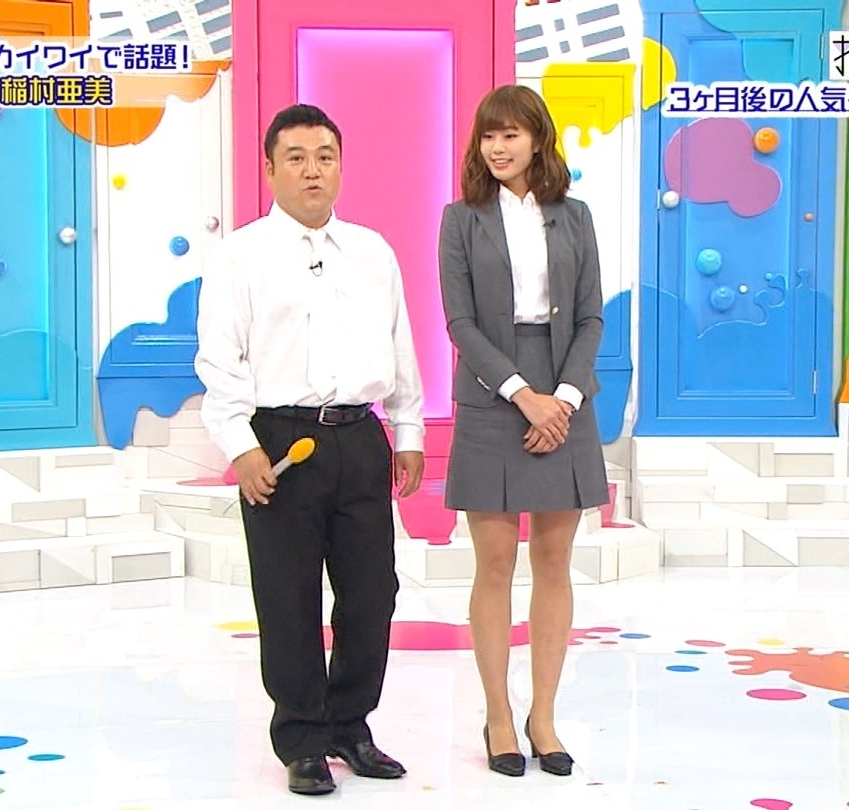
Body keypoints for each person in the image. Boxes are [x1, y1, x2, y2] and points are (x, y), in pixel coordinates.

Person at [194, 104, 426, 797]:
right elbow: (219, 358)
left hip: (359, 437)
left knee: (372, 593)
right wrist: (240, 446)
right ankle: (301, 739)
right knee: (288, 597)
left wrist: (407, 431)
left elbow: (400, 345)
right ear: (270, 169)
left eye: (325, 156)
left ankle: (350, 726)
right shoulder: (240, 255)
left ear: (341, 167)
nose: (312, 170)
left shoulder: (373, 251)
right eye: (295, 157)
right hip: (278, 442)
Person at [437, 85, 610, 778]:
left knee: (554, 560)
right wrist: (522, 396)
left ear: (538, 139)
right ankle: (499, 716)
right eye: (488, 136)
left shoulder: (575, 215)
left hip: (565, 386)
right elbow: (459, 322)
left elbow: (591, 316)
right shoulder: (461, 219)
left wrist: (560, 400)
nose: (498, 147)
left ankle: (544, 716)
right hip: (493, 392)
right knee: (495, 562)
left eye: (511, 134)